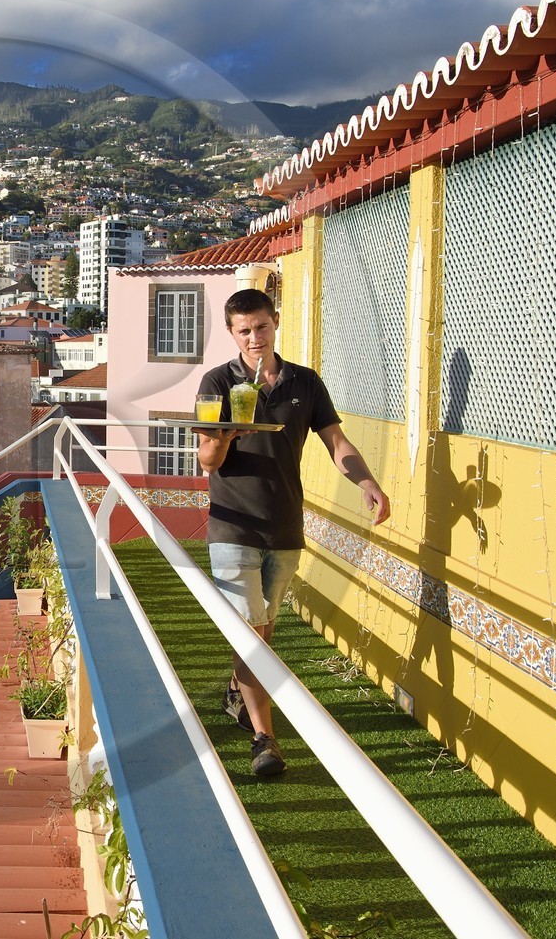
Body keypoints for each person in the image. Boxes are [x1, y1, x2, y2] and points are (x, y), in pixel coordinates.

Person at [195, 289, 390, 777]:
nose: (255, 338)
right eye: (245, 330)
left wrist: (367, 481)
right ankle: (266, 740)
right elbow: (206, 461)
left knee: (263, 628)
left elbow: (336, 442)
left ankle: (239, 692)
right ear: (232, 333)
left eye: (261, 327)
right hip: (232, 524)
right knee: (252, 635)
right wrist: (225, 437)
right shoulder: (216, 382)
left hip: (285, 527)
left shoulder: (305, 382)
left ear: (275, 321)